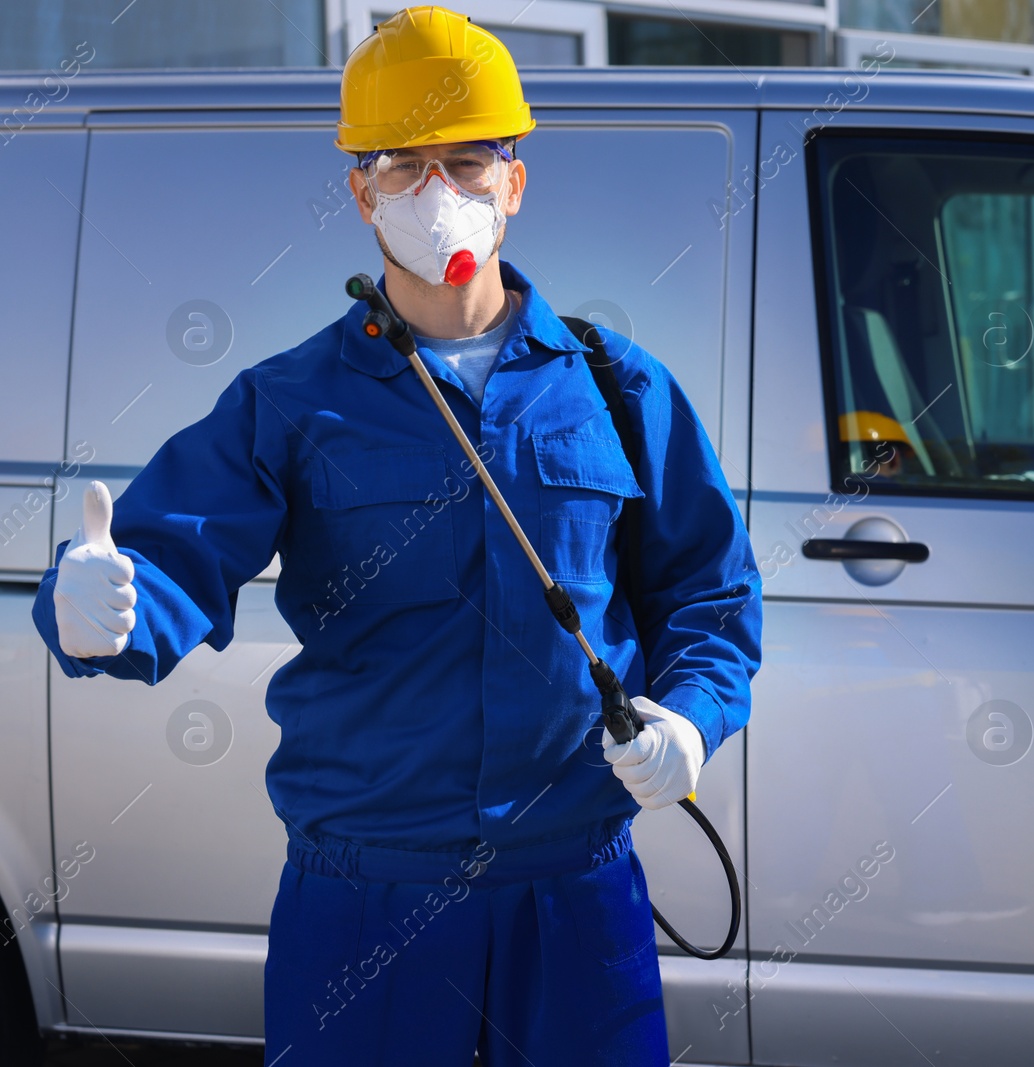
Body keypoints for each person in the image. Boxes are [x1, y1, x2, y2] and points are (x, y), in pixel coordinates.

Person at [33, 7, 761, 1064]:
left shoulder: (620, 389)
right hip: (363, 895)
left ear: (515, 180)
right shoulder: (288, 402)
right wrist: (98, 603)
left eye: (467, 162)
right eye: (403, 167)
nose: (439, 194)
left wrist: (691, 720)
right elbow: (169, 559)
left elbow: (710, 595)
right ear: (359, 190)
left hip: (574, 884)